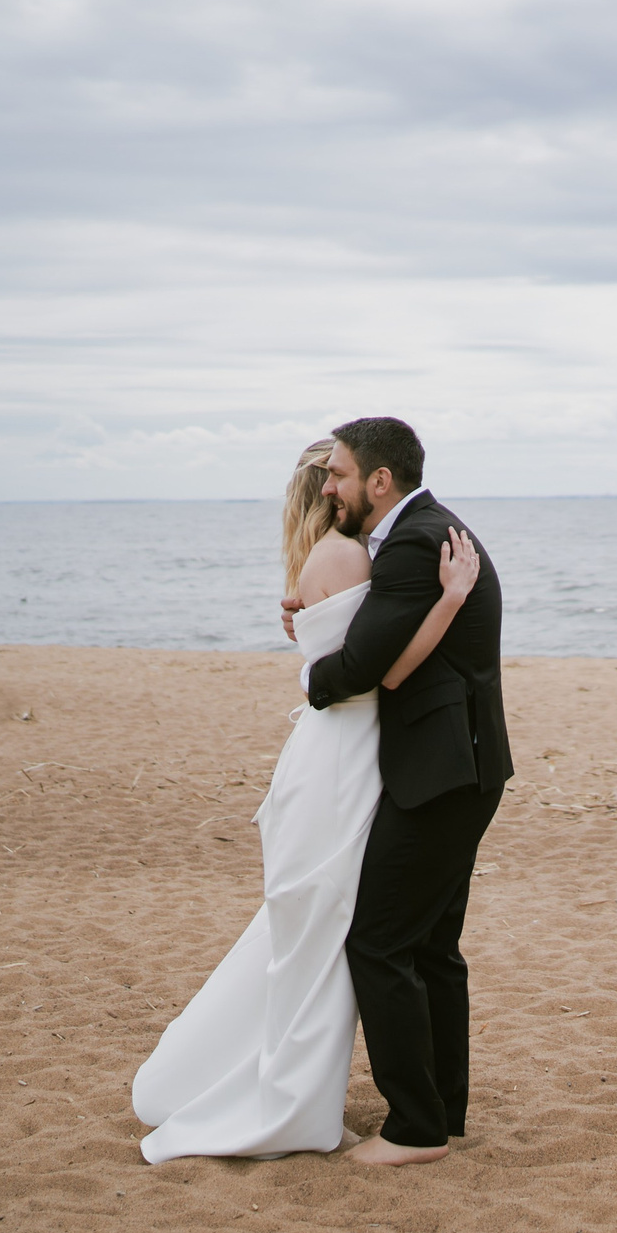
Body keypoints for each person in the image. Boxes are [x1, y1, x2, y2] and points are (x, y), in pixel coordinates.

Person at [129, 434, 480, 1163]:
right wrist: (449, 602)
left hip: (336, 757)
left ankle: (314, 1095)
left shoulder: (331, 558)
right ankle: (306, 1101)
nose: (336, 491)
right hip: (345, 762)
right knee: (335, 933)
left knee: (321, 930)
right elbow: (368, 672)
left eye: (341, 478)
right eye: (334, 479)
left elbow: (347, 652)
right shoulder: (353, 557)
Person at [299, 416, 512, 1166]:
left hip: (440, 778)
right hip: (463, 769)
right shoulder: (427, 532)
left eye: (341, 473)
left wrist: (308, 670)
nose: (330, 487)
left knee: (379, 941)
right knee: (428, 946)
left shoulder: (419, 541)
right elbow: (392, 651)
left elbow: (365, 667)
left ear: (379, 480)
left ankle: (416, 1127)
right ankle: (442, 1113)